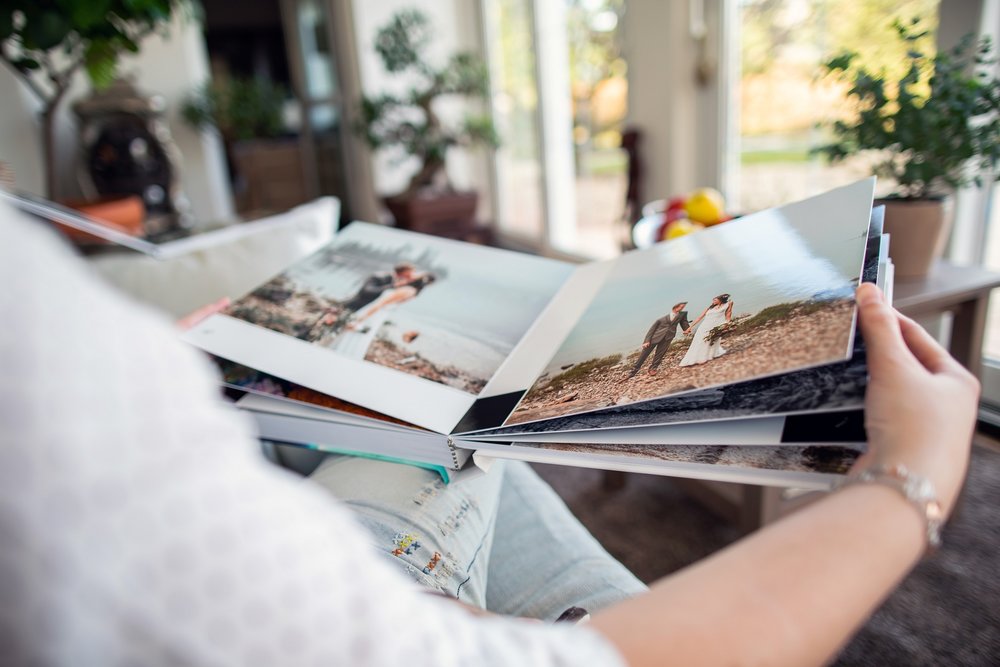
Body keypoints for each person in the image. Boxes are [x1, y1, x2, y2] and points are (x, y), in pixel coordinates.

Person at [0, 199, 980, 667]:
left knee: (470, 447)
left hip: (234, 486)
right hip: (319, 576)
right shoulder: (42, 385)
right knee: (463, 436)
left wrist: (165, 362)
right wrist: (909, 476)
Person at [332, 273, 436, 359]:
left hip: (374, 313)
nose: (412, 275)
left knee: (354, 331)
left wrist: (360, 319)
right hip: (379, 314)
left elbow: (381, 303)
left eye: (415, 274)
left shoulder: (407, 290)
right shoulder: (413, 293)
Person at [628, 301, 692, 377]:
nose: (682, 308)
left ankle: (653, 369)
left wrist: (687, 329)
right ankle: (633, 372)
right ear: (675, 307)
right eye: (681, 307)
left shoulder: (682, 315)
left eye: (683, 307)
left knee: (660, 354)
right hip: (654, 338)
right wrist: (646, 341)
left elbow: (684, 322)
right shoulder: (661, 319)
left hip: (668, 337)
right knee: (644, 354)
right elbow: (652, 330)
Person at [680, 293, 734, 367]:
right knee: (700, 341)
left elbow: (728, 313)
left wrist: (727, 323)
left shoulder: (728, 303)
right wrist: (689, 328)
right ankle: (696, 358)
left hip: (716, 326)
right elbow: (699, 318)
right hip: (704, 326)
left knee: (712, 340)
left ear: (720, 299)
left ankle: (707, 356)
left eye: (715, 299)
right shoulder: (709, 308)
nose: (713, 301)